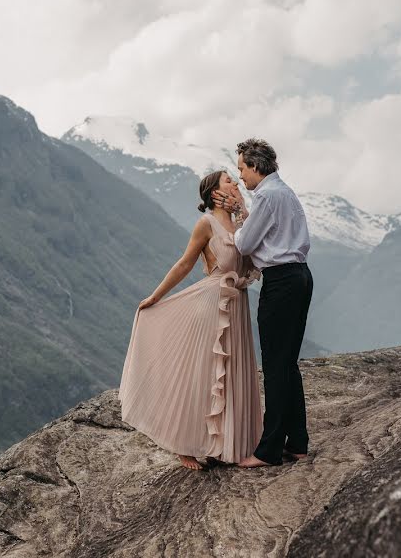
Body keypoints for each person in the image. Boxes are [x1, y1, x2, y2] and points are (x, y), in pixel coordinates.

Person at [119, 171, 262, 470]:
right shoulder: (206, 223)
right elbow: (185, 263)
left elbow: (254, 257)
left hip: (237, 304)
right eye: (228, 181)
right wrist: (156, 297)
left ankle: (220, 445)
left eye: (235, 180)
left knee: (230, 374)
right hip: (211, 304)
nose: (235, 183)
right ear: (213, 193)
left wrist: (243, 213)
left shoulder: (240, 223)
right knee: (204, 375)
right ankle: (183, 446)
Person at [214, 138, 313, 468]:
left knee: (275, 366)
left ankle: (268, 450)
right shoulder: (284, 191)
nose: (240, 175)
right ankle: (297, 443)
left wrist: (239, 208)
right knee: (288, 364)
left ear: (256, 166)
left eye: (242, 168)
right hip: (299, 276)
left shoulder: (267, 197)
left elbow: (244, 243)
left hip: (282, 283)